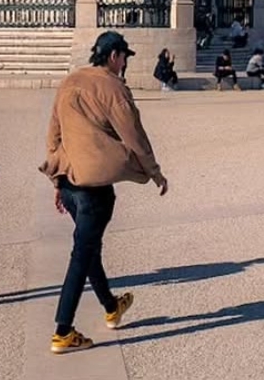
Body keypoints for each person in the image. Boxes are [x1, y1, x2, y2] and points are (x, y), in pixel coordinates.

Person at [40, 31, 168, 354]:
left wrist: (57, 181)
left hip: (70, 183)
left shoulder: (70, 81)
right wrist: (154, 172)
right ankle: (63, 331)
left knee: (87, 245)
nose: (125, 63)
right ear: (113, 56)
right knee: (82, 253)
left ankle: (112, 307)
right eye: (124, 57)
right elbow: (134, 135)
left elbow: (54, 135)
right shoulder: (113, 87)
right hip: (94, 190)